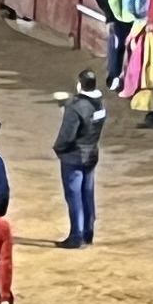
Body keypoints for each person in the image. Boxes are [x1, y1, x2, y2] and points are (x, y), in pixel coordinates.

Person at [53, 76, 103, 248]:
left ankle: (76, 236)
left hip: (73, 157)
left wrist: (59, 149)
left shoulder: (75, 108)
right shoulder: (100, 104)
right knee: (87, 194)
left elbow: (67, 135)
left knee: (74, 196)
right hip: (91, 154)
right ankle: (88, 233)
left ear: (80, 84)